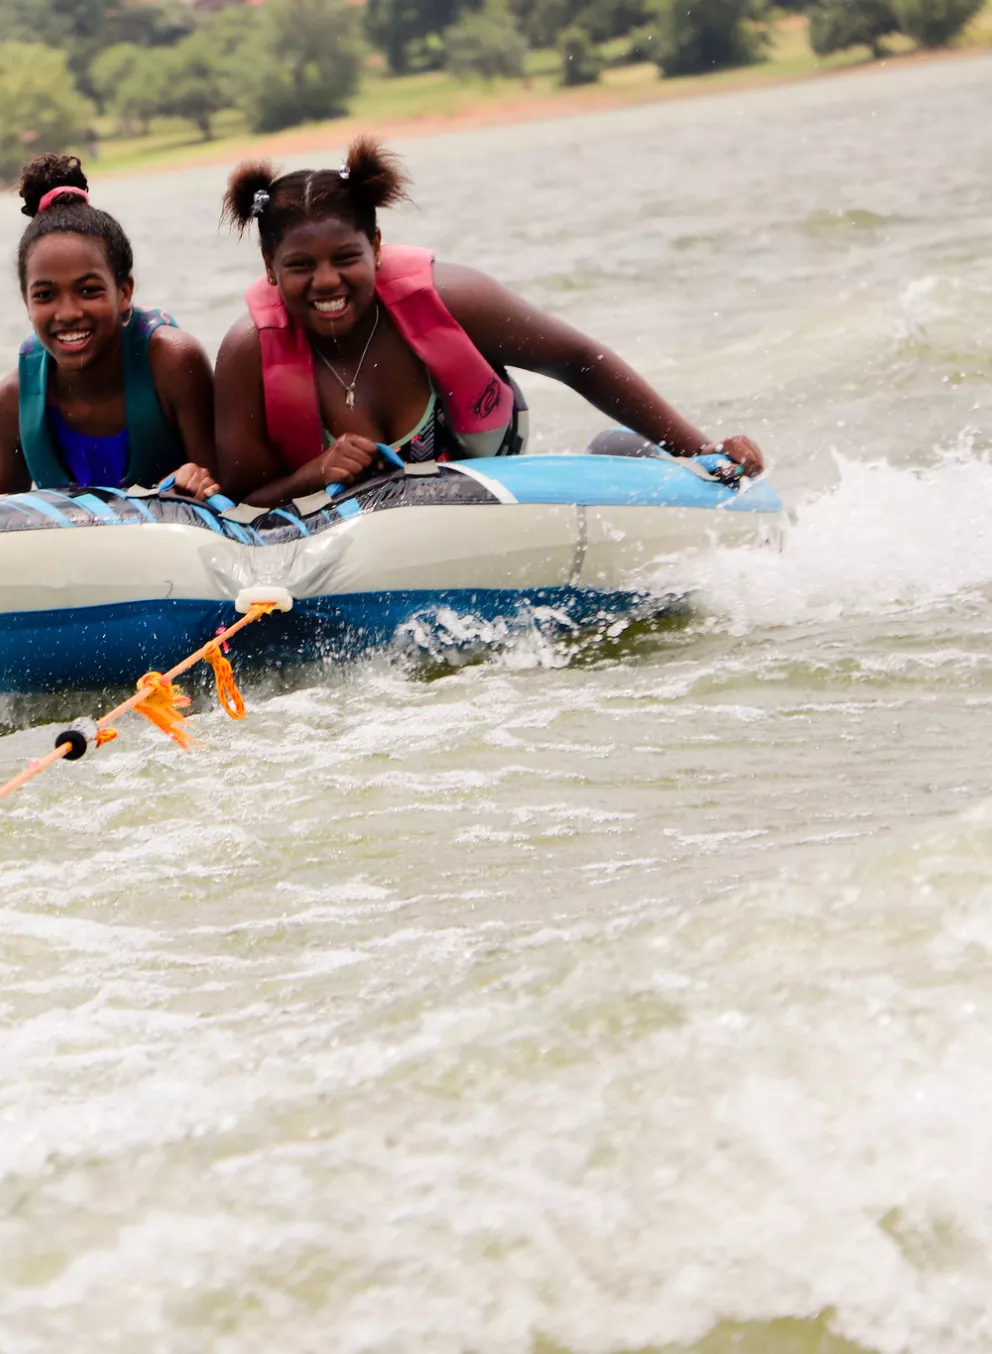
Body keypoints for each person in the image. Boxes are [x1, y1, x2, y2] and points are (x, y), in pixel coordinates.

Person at [214, 136, 763, 508]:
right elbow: (242, 501)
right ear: (270, 268)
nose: (327, 282)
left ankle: (625, 452)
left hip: (486, 478)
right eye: (300, 267)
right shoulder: (247, 352)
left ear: (377, 247)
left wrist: (701, 452)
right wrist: (318, 472)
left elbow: (578, 361)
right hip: (352, 529)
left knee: (626, 455)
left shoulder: (452, 297)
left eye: (346, 258)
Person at [0, 154, 219, 499]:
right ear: (27, 303)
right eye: (45, 295)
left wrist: (200, 479)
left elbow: (232, 493)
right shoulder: (15, 399)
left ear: (124, 292)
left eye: (89, 291)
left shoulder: (174, 365)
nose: (68, 312)